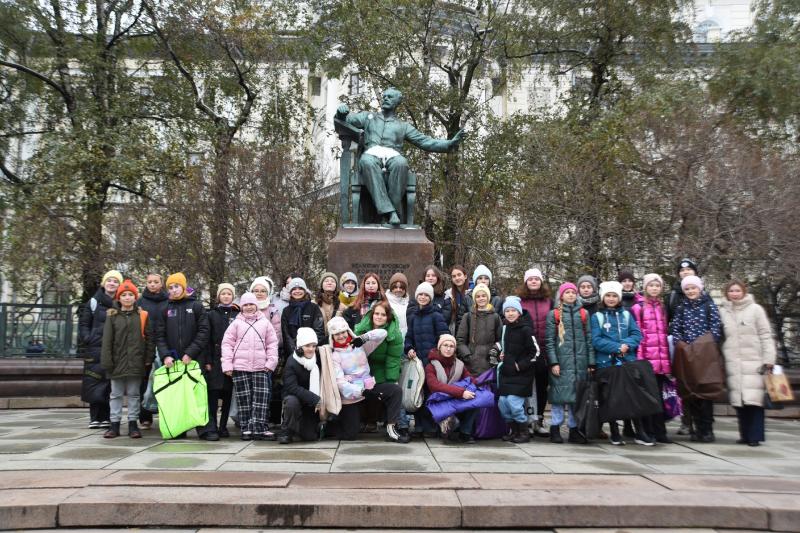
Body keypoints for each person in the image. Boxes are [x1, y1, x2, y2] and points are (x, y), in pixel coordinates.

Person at [335, 87, 463, 225]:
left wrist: (449, 144)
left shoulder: (403, 126)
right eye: (384, 96)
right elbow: (348, 119)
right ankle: (390, 212)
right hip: (371, 154)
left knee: (401, 163)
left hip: (393, 155)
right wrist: (341, 113)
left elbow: (425, 142)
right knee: (367, 162)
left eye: (390, 97)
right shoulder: (368, 117)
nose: (385, 98)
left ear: (397, 102)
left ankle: (388, 212)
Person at [327, 316, 409, 442]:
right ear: (332, 336)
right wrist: (361, 391)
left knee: (395, 390)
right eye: (336, 334)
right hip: (351, 397)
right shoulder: (334, 356)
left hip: (369, 387)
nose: (341, 336)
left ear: (348, 331)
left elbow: (383, 333)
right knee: (350, 435)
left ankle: (391, 428)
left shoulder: (359, 345)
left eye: (343, 332)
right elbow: (340, 383)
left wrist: (364, 338)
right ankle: (330, 425)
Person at [719, 280, 776, 446]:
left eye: (737, 290)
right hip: (733, 362)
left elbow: (765, 334)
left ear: (744, 291)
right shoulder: (723, 311)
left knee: (754, 400)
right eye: (731, 291)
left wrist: (769, 359)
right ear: (727, 293)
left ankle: (755, 436)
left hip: (754, 362)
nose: (734, 294)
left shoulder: (755, 309)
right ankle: (744, 434)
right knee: (739, 401)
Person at [154, 272, 210, 438]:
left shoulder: (196, 306)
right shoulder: (164, 308)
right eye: (170, 287)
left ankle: (204, 429)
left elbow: (203, 331)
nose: (174, 290)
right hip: (174, 361)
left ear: (184, 287)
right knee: (177, 396)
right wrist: (165, 355)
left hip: (194, 359)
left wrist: (190, 353)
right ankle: (179, 428)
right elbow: (159, 335)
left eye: (177, 286)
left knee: (197, 395)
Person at [591, 281, 647, 446]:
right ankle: (614, 432)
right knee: (610, 398)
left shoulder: (627, 315)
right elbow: (596, 340)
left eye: (614, 296)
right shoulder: (597, 317)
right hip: (606, 364)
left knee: (633, 397)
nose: (611, 298)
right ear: (603, 297)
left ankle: (640, 432)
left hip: (627, 362)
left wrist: (626, 346)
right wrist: (616, 347)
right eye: (608, 295)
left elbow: (636, 334)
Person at [670, 275, 722, 443]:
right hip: (687, 354)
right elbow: (676, 328)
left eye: (693, 288)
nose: (691, 291)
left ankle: (707, 429)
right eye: (687, 289)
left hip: (705, 354)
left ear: (700, 288)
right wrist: (680, 344)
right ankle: (696, 428)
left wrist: (704, 344)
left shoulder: (709, 305)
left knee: (705, 392)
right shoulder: (681, 308)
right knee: (690, 393)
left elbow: (715, 327)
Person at [221, 292, 280, 441]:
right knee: (244, 398)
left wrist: (271, 362)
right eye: (245, 305)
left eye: (251, 304)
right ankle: (246, 428)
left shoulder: (265, 322)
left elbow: (272, 344)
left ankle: (259, 428)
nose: (248, 307)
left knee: (261, 398)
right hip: (240, 367)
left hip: (261, 367)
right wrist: (227, 364)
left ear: (256, 305)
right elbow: (227, 344)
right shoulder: (236, 323)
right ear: (241, 307)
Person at [100, 279, 154, 439]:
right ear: (119, 298)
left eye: (130, 294)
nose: (127, 297)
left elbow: (149, 338)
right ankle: (114, 424)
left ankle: (133, 424)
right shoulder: (112, 316)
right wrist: (107, 361)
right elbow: (107, 341)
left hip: (136, 362)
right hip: (116, 362)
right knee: (115, 394)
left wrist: (148, 358)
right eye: (124, 295)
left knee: (134, 394)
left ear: (135, 297)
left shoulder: (142, 315)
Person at [545, 282, 594, 444]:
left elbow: (588, 340)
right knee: (559, 397)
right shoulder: (554, 315)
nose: (571, 295)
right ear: (561, 296)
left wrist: (590, 363)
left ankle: (574, 429)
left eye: (573, 292)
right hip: (561, 363)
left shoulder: (584, 314)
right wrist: (553, 362)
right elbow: (550, 342)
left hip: (579, 363)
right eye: (567, 292)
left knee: (576, 398)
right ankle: (555, 428)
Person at [355, 301, 409, 437]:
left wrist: (391, 380)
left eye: (383, 315)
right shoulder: (361, 330)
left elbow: (393, 360)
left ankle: (395, 424)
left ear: (388, 317)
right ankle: (364, 421)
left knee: (389, 389)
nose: (379, 317)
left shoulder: (394, 334)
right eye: (377, 314)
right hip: (361, 368)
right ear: (372, 315)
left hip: (382, 369)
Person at [630, 273, 672, 443]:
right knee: (648, 398)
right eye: (651, 285)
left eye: (657, 285)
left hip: (661, 362)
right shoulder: (638, 307)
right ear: (645, 287)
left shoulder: (662, 307)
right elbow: (638, 335)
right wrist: (640, 361)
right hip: (646, 361)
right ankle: (648, 431)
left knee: (660, 398)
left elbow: (664, 335)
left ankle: (660, 431)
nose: (654, 288)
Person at [79, 269, 123, 429]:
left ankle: (106, 418)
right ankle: (95, 418)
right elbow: (84, 323)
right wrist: (88, 338)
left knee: (109, 383)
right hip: (95, 348)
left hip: (113, 349)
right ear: (104, 283)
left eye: (115, 281)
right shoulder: (93, 301)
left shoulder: (120, 302)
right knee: (93, 381)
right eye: (109, 280)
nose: (112, 283)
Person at [404, 281, 449, 436]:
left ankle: (432, 426)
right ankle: (419, 425)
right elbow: (409, 337)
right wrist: (409, 348)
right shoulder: (413, 317)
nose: (423, 297)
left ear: (430, 298)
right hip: (418, 363)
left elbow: (444, 338)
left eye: (426, 295)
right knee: (418, 392)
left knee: (431, 393)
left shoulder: (436, 315)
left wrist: (435, 356)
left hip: (432, 363)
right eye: (420, 294)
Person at [517, 268, 553, 437]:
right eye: (530, 279)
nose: (533, 281)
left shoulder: (549, 302)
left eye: (536, 279)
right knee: (526, 387)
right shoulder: (520, 301)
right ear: (526, 282)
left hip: (545, 351)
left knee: (542, 386)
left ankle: (539, 420)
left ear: (541, 282)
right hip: (527, 351)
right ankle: (526, 419)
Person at [497, 296, 538, 444]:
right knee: (503, 403)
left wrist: (519, 365)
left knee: (514, 403)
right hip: (507, 372)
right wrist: (502, 354)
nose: (510, 313)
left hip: (522, 374)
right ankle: (513, 430)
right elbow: (506, 347)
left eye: (513, 310)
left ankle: (523, 431)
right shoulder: (505, 328)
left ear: (519, 312)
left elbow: (534, 352)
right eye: (507, 311)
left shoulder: (526, 329)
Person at [667, 258, 701, 436]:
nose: (685, 272)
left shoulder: (703, 294)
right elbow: (668, 320)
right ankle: (686, 422)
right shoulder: (673, 294)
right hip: (680, 345)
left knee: (700, 384)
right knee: (683, 384)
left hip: (701, 347)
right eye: (682, 270)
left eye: (688, 270)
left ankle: (701, 422)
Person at [280, 328, 332, 444]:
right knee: (291, 403)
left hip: (310, 403)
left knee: (310, 436)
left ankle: (301, 427)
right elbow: (292, 387)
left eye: (313, 346)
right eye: (307, 346)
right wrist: (315, 399)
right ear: (300, 347)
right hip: (296, 397)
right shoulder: (292, 361)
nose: (311, 349)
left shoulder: (317, 359)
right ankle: (286, 431)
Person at [425, 334, 478, 444]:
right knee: (453, 422)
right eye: (445, 345)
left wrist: (470, 389)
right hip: (438, 401)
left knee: (475, 400)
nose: (448, 349)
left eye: (451, 346)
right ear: (439, 347)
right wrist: (460, 392)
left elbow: (471, 380)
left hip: (454, 399)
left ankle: (465, 433)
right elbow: (434, 386)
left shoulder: (459, 365)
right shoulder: (431, 366)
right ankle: (446, 428)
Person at [204, 283, 239, 440]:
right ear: (219, 296)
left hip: (232, 360)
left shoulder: (237, 314)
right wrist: (208, 360)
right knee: (213, 394)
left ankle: (223, 426)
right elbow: (207, 339)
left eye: (229, 294)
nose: (226, 296)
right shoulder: (211, 314)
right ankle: (212, 424)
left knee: (227, 394)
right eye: (223, 293)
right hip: (215, 359)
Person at [136, 273, 168, 430]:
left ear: (161, 284)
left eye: (156, 281)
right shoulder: (140, 301)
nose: (153, 284)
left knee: (165, 380)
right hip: (146, 345)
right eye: (150, 282)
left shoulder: (168, 301)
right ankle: (145, 417)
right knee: (144, 381)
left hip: (164, 344)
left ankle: (165, 414)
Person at [456, 283, 502, 375]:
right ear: (474, 299)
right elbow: (460, 340)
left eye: (484, 296)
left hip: (490, 363)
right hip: (471, 365)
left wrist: (495, 349)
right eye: (478, 296)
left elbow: (501, 339)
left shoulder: (495, 317)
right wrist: (467, 356)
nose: (481, 298)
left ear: (488, 297)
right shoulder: (467, 316)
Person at [280, 278, 326, 361]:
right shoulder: (286, 311)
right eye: (294, 289)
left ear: (305, 291)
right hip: (293, 354)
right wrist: (296, 352)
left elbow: (319, 330)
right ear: (290, 292)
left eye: (300, 288)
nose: (297, 291)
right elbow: (286, 335)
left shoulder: (314, 308)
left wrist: (310, 348)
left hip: (312, 353)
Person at [250, 276, 283, 353]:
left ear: (267, 293)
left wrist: (270, 348)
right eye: (256, 291)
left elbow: (277, 332)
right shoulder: (245, 308)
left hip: (267, 350)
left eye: (263, 291)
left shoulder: (272, 310)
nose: (259, 293)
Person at [445, 265, 472, 334]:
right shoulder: (449, 295)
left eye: (459, 275)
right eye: (454, 276)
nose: (457, 278)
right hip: (455, 331)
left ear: (465, 276)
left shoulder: (473, 293)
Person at [386, 272, 410, 337]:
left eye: (401, 287)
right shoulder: (386, 303)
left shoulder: (409, 304)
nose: (398, 290)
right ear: (391, 288)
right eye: (395, 287)